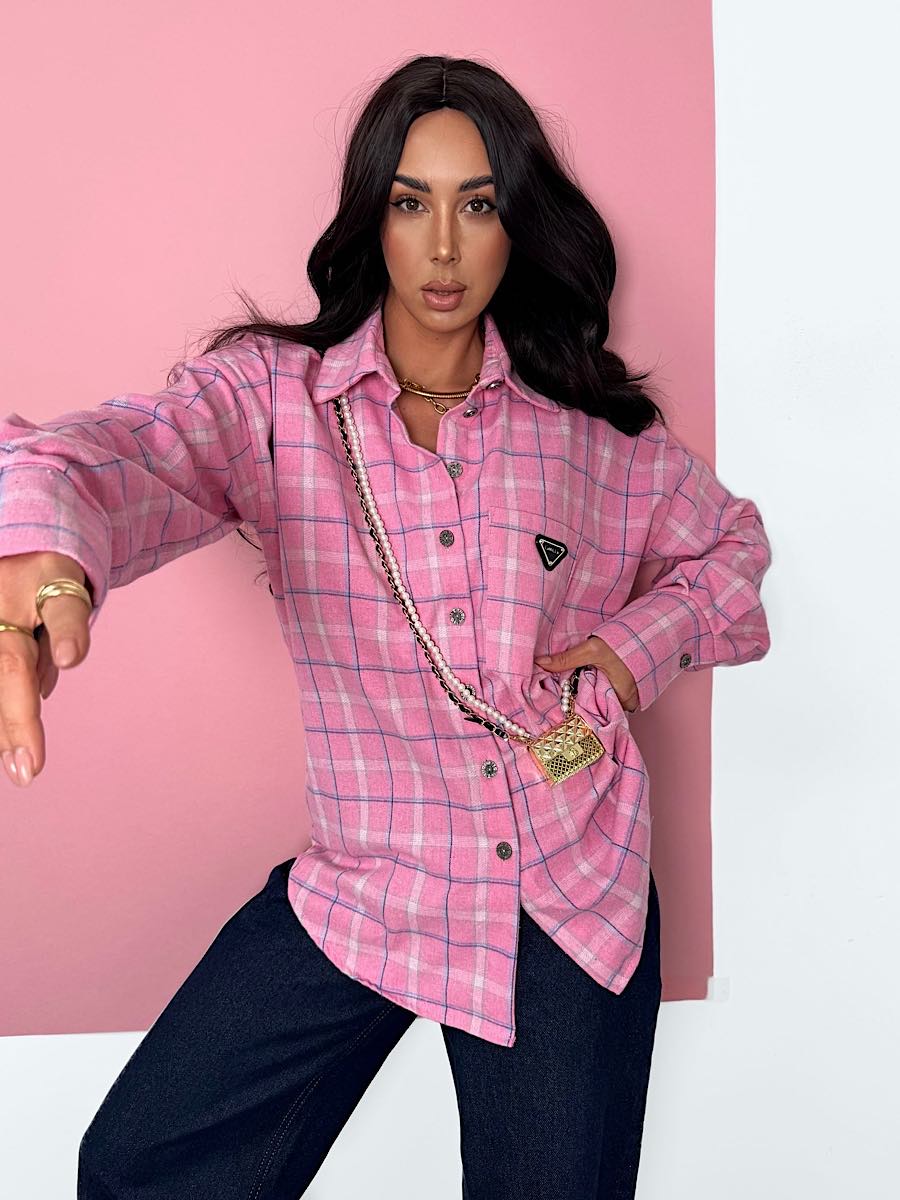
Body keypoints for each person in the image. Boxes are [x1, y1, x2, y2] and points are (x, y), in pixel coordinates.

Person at [0, 54, 771, 1199]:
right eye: (413, 203)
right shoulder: (273, 403)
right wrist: (42, 545)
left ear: (518, 223)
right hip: (373, 876)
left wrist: (625, 652)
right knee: (141, 1165)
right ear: (374, 215)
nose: (443, 247)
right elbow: (116, 454)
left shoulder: (594, 435)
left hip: (568, 879)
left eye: (478, 205)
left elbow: (735, 550)